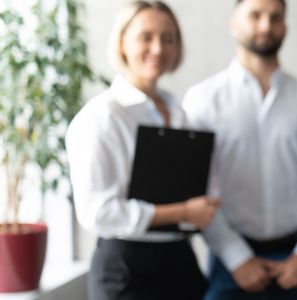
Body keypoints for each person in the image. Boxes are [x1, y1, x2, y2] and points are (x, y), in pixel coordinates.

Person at [181, 0, 297, 299]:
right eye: (255, 15)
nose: (266, 25)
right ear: (234, 24)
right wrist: (236, 256)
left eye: (275, 17)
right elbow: (199, 189)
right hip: (229, 262)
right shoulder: (202, 100)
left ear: (285, 28)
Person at [67, 2, 219, 299]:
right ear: (123, 42)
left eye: (168, 38)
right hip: (126, 270)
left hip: (179, 260)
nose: (158, 48)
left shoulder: (178, 112)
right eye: (146, 37)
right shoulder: (103, 116)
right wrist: (184, 212)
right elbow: (97, 213)